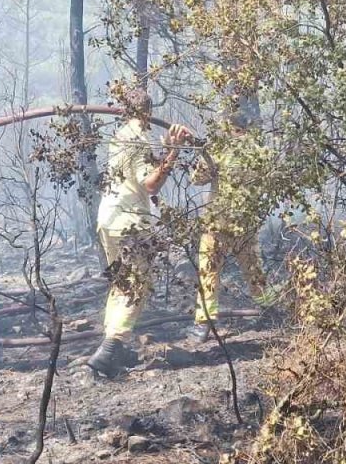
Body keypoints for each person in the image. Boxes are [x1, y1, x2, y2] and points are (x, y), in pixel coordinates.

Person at [88, 89, 191, 378]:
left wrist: (166, 146)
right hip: (130, 224)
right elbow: (150, 184)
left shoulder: (121, 135)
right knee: (136, 286)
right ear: (147, 111)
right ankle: (110, 348)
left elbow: (139, 171)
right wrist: (175, 151)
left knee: (122, 285)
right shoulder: (138, 138)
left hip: (109, 219)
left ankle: (114, 352)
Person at [187, 107, 277, 342]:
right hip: (245, 223)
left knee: (209, 272)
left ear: (228, 126)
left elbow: (197, 179)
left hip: (217, 223)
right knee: (254, 269)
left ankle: (204, 324)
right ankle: (269, 310)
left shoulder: (218, 149)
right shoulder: (260, 151)